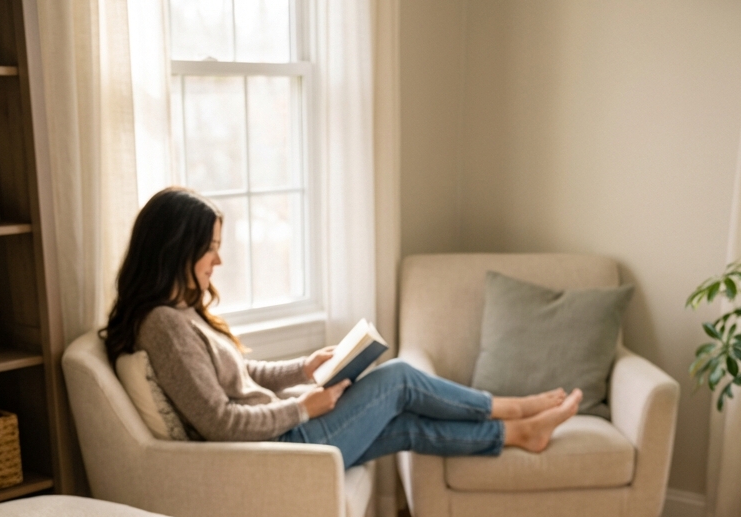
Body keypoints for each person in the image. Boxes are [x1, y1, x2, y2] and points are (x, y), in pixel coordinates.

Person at [104, 188, 581, 465]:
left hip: (281, 433)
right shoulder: (164, 327)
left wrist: (304, 369)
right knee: (397, 380)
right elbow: (220, 421)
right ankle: (510, 408)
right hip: (279, 448)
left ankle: (519, 435)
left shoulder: (180, 313)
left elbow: (241, 379)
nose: (218, 259)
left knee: (405, 423)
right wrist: (306, 410)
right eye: (210, 247)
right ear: (176, 250)